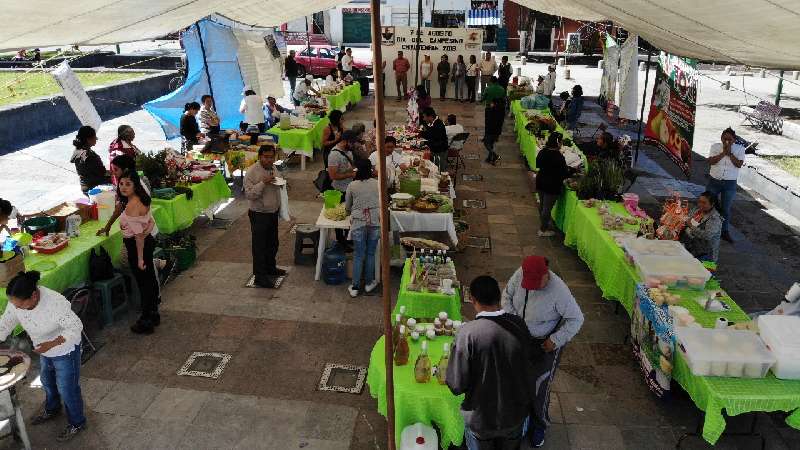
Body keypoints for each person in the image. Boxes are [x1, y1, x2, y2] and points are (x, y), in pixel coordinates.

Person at [501, 256, 584, 448]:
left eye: (535, 284)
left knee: (539, 387)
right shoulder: (521, 273)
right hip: (520, 337)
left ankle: (539, 425)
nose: (530, 288)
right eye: (527, 283)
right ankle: (518, 418)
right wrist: (515, 322)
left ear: (546, 275)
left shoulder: (559, 291)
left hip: (544, 343)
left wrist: (555, 340)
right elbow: (506, 296)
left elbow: (576, 319)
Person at [446, 275, 534, 450]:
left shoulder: (467, 334)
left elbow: (456, 385)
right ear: (499, 297)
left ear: (472, 299)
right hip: (515, 415)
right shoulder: (519, 325)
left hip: (481, 420)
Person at [0, 271, 87, 442]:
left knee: (67, 389)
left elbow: (76, 326)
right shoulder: (16, 302)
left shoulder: (54, 303)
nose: (16, 308)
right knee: (47, 381)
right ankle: (53, 408)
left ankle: (77, 422)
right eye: (14, 304)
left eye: (20, 305)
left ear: (33, 296)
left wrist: (51, 344)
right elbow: (5, 324)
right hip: (44, 349)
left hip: (65, 350)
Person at [117, 171, 160, 334]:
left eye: (128, 184)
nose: (123, 187)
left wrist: (140, 259)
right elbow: (150, 223)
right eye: (121, 184)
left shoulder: (131, 206)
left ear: (136, 185)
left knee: (143, 284)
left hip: (137, 247)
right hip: (147, 243)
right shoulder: (144, 200)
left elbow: (138, 236)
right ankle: (154, 314)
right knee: (150, 280)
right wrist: (145, 234)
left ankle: (146, 320)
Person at [244, 145, 286, 288]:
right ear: (260, 157)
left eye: (271, 157)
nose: (269, 160)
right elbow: (249, 195)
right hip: (259, 214)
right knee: (259, 247)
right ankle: (260, 277)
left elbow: (278, 181)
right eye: (266, 157)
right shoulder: (251, 172)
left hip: (272, 212)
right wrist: (263, 183)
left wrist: (280, 182)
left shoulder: (273, 168)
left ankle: (271, 268)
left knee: (273, 243)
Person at [345, 158, 381, 298]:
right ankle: (369, 283)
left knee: (359, 254)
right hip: (375, 222)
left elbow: (348, 207)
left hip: (359, 223)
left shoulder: (352, 186)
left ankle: (355, 286)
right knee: (371, 253)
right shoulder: (377, 183)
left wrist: (350, 212)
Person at [706, 127, 745, 243]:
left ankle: (724, 231)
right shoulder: (715, 147)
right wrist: (723, 153)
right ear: (721, 138)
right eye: (724, 138)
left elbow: (739, 164)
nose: (726, 141)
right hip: (714, 181)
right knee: (708, 204)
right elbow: (711, 161)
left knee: (725, 209)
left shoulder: (740, 149)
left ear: (734, 140)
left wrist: (730, 154)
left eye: (729, 139)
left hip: (729, 183)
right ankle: (705, 227)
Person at [536, 133, 572, 236]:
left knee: (543, 205)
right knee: (547, 207)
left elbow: (538, 164)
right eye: (561, 141)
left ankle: (545, 223)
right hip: (551, 185)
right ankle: (543, 230)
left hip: (541, 181)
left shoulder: (543, 151)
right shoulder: (558, 156)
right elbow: (564, 173)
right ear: (558, 143)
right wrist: (572, 170)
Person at [328, 131, 358, 248]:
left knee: (349, 215)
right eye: (351, 143)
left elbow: (350, 166)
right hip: (339, 190)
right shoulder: (334, 155)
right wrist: (350, 175)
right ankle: (341, 241)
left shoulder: (348, 151)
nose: (353, 146)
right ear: (345, 141)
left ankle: (348, 238)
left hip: (350, 188)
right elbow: (333, 176)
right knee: (340, 217)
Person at [680, 192, 723, 262]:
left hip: (707, 256)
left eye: (704, 203)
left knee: (704, 272)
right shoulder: (696, 210)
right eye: (699, 202)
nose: (700, 204)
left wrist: (691, 226)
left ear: (712, 204)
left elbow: (707, 235)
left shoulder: (714, 218)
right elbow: (687, 220)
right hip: (693, 249)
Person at [70, 125, 109, 194]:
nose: (96, 139)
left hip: (86, 185)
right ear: (88, 139)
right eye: (94, 137)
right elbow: (101, 173)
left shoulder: (79, 150)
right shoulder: (88, 156)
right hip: (93, 187)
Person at [421, 107, 449, 172]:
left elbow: (436, 141)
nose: (424, 119)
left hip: (440, 152)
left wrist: (425, 143)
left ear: (430, 116)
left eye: (424, 117)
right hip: (435, 150)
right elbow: (429, 134)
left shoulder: (438, 125)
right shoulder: (433, 123)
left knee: (439, 171)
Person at [483, 98, 505, 165]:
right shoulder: (502, 110)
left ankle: (495, 155)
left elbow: (487, 121)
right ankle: (489, 158)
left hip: (490, 130)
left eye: (492, 103)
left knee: (486, 143)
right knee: (491, 144)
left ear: (494, 104)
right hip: (497, 131)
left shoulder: (490, 110)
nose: (491, 104)